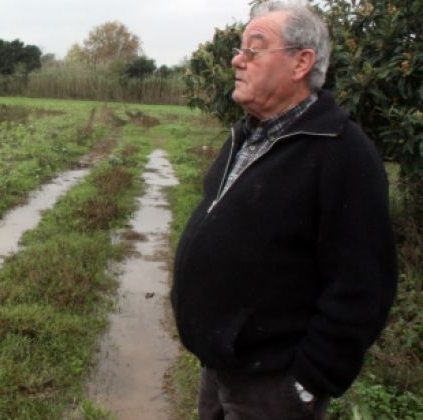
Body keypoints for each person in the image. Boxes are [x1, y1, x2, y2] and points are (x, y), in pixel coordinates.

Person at [170, 1, 398, 419]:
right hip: (221, 367)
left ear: (301, 63)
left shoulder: (342, 154)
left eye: (254, 50)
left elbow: (364, 285)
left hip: (274, 385)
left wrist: (309, 381)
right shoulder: (248, 136)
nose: (238, 60)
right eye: (240, 49)